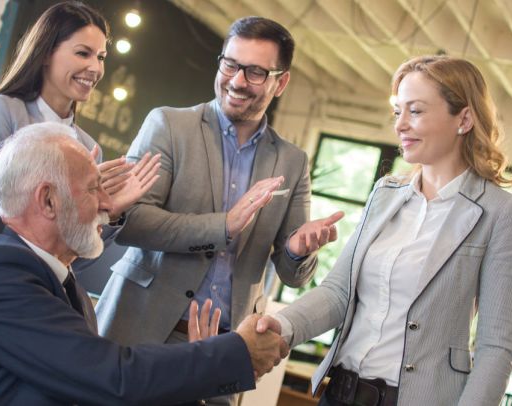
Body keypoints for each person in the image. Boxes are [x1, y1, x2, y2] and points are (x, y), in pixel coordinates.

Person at [0, 122, 288, 406]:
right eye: (94, 189)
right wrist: (233, 353)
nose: (108, 203)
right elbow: (115, 379)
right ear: (48, 201)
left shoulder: (56, 279)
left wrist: (200, 373)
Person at [257, 55, 512, 406]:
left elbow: (496, 346)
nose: (400, 125)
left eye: (415, 111)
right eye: (397, 112)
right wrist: (278, 325)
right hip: (339, 394)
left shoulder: (502, 212)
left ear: (464, 118)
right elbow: (337, 293)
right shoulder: (385, 194)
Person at [95, 15, 343, 405]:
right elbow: (131, 221)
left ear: (282, 82)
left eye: (256, 72)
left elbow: (294, 276)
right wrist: (224, 225)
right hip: (143, 328)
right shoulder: (168, 126)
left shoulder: (292, 162)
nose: (238, 80)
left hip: (224, 348)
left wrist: (298, 249)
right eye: (230, 64)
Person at [0, 1, 145, 203]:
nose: (95, 68)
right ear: (46, 53)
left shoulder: (90, 149)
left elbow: (84, 234)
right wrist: (73, 198)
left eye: (101, 57)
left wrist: (107, 210)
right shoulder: (0, 111)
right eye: (83, 53)